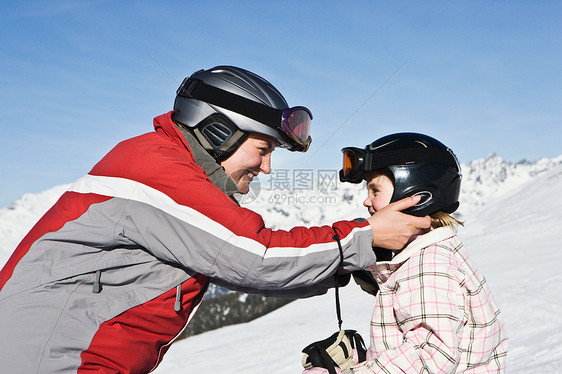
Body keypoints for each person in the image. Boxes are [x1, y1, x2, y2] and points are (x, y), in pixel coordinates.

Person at [0, 66, 430, 373]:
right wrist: (365, 237)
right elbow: (255, 256)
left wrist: (348, 265)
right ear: (219, 131)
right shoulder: (155, 170)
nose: (265, 169)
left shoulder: (167, 168)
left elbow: (240, 267)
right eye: (263, 150)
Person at [340, 133, 508, 373]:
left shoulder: (427, 267)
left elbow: (430, 356)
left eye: (375, 191)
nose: (367, 202)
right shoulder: (424, 254)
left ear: (416, 196)